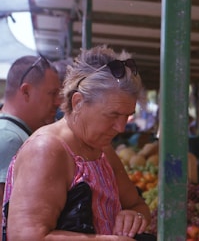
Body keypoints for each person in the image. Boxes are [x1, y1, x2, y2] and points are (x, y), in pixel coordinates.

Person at [2, 45, 151, 240]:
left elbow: (138, 205)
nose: (121, 128)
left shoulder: (103, 150)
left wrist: (134, 216)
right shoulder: (46, 150)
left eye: (127, 116)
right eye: (113, 114)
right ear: (78, 102)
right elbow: (25, 237)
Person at [0, 55, 61, 224]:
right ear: (26, 91)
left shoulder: (14, 133)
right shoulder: (9, 139)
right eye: (52, 93)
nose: (58, 102)